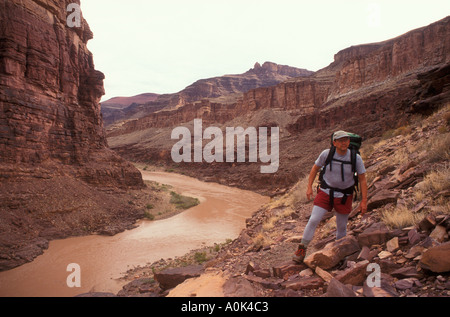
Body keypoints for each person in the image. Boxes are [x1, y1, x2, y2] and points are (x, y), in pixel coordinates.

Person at [293, 130, 368, 263]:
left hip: (344, 195)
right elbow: (315, 168)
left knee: (341, 227)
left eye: (346, 140)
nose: (344, 143)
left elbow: (362, 179)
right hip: (325, 192)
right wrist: (309, 187)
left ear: (349, 142)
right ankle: (302, 249)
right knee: (313, 219)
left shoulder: (355, 158)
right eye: (340, 140)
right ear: (334, 143)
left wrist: (364, 201)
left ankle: (339, 254)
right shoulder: (326, 154)